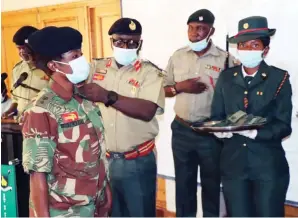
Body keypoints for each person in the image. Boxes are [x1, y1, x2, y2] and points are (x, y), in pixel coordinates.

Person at [20, 26, 111, 217]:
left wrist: (105, 191)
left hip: (94, 204)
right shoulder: (40, 110)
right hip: (63, 211)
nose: (82, 61)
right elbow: (38, 174)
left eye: (81, 54)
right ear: (54, 66)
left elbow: (97, 153)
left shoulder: (84, 99)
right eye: (74, 56)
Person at [78, 18, 165, 217]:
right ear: (112, 42)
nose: (125, 47)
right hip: (104, 160)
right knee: (112, 212)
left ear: (140, 44)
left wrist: (107, 96)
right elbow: (77, 89)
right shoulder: (96, 68)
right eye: (119, 42)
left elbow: (147, 111)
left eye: (132, 43)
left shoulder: (150, 73)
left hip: (137, 161)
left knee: (140, 213)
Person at [211, 16, 292, 217]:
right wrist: (219, 131)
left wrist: (255, 133)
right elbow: (217, 116)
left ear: (266, 49)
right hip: (233, 165)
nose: (247, 50)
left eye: (254, 45)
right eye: (243, 45)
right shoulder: (226, 77)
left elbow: (284, 125)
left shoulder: (279, 78)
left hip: (267, 167)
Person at [163, 9, 238, 217]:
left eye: (201, 28)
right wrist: (180, 86)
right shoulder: (177, 56)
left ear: (211, 31)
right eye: (192, 28)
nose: (195, 33)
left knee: (211, 185)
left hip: (210, 133)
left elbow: (235, 95)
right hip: (182, 130)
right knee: (183, 185)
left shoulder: (225, 60)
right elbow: (163, 90)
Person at [2, 26, 50, 118]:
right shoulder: (17, 69)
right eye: (19, 48)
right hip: (22, 123)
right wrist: (10, 111)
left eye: (24, 48)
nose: (21, 52)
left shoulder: (51, 67)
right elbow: (16, 99)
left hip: (45, 122)